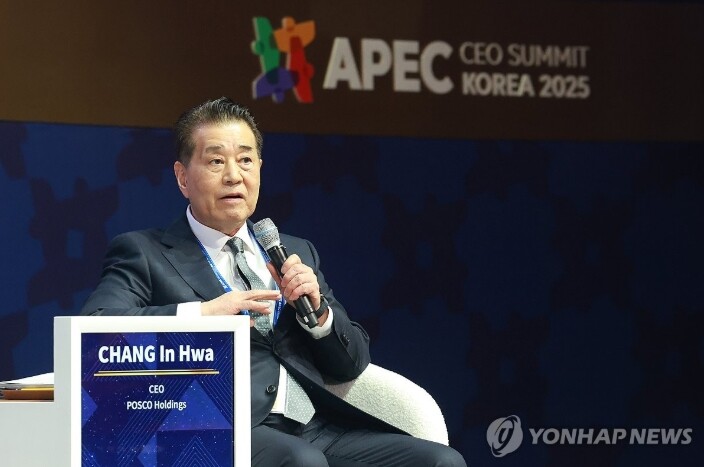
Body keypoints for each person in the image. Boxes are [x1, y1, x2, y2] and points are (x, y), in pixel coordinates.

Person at [81, 97, 466, 467]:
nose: (234, 175)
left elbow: (351, 365)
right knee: (301, 462)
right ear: (183, 177)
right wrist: (203, 315)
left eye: (245, 160)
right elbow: (95, 327)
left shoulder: (293, 251)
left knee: (440, 460)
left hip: (315, 426)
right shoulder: (145, 253)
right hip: (217, 427)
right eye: (216, 161)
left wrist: (319, 315)